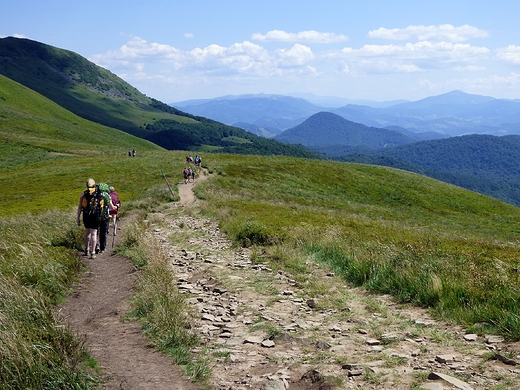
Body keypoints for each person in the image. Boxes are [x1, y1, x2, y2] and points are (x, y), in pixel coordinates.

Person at [77, 178, 101, 259]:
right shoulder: (98, 194)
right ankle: (93, 252)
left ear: (87, 185)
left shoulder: (83, 195)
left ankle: (86, 249)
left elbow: (80, 207)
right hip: (95, 216)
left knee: (87, 233)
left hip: (86, 215)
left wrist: (78, 218)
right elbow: (101, 207)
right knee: (94, 233)